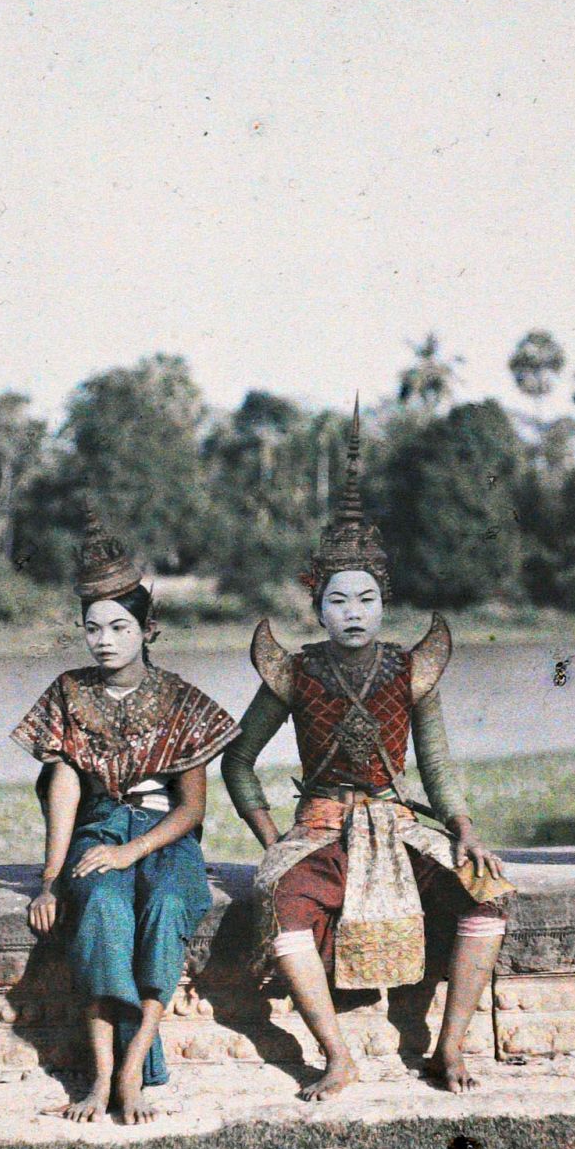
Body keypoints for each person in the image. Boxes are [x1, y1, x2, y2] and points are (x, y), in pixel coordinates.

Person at [222, 404, 515, 1100]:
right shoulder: (294, 671)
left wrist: (464, 829)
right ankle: (337, 1056)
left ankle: (449, 1047)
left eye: (365, 598)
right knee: (283, 902)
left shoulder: (413, 670)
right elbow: (237, 761)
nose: (352, 612)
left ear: (383, 602)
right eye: (338, 601)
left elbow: (436, 767)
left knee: (488, 895)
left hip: (398, 823)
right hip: (321, 829)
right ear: (318, 607)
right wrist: (272, 839)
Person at [14, 507, 240, 1124]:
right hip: (98, 829)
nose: (105, 640)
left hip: (164, 838)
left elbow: (192, 808)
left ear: (147, 629)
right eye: (93, 628)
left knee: (167, 904)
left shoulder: (182, 699)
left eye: (119, 626)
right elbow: (63, 790)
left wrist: (131, 853)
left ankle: (134, 1065)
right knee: (101, 909)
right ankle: (100, 1074)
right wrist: (50, 880)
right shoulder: (69, 692)